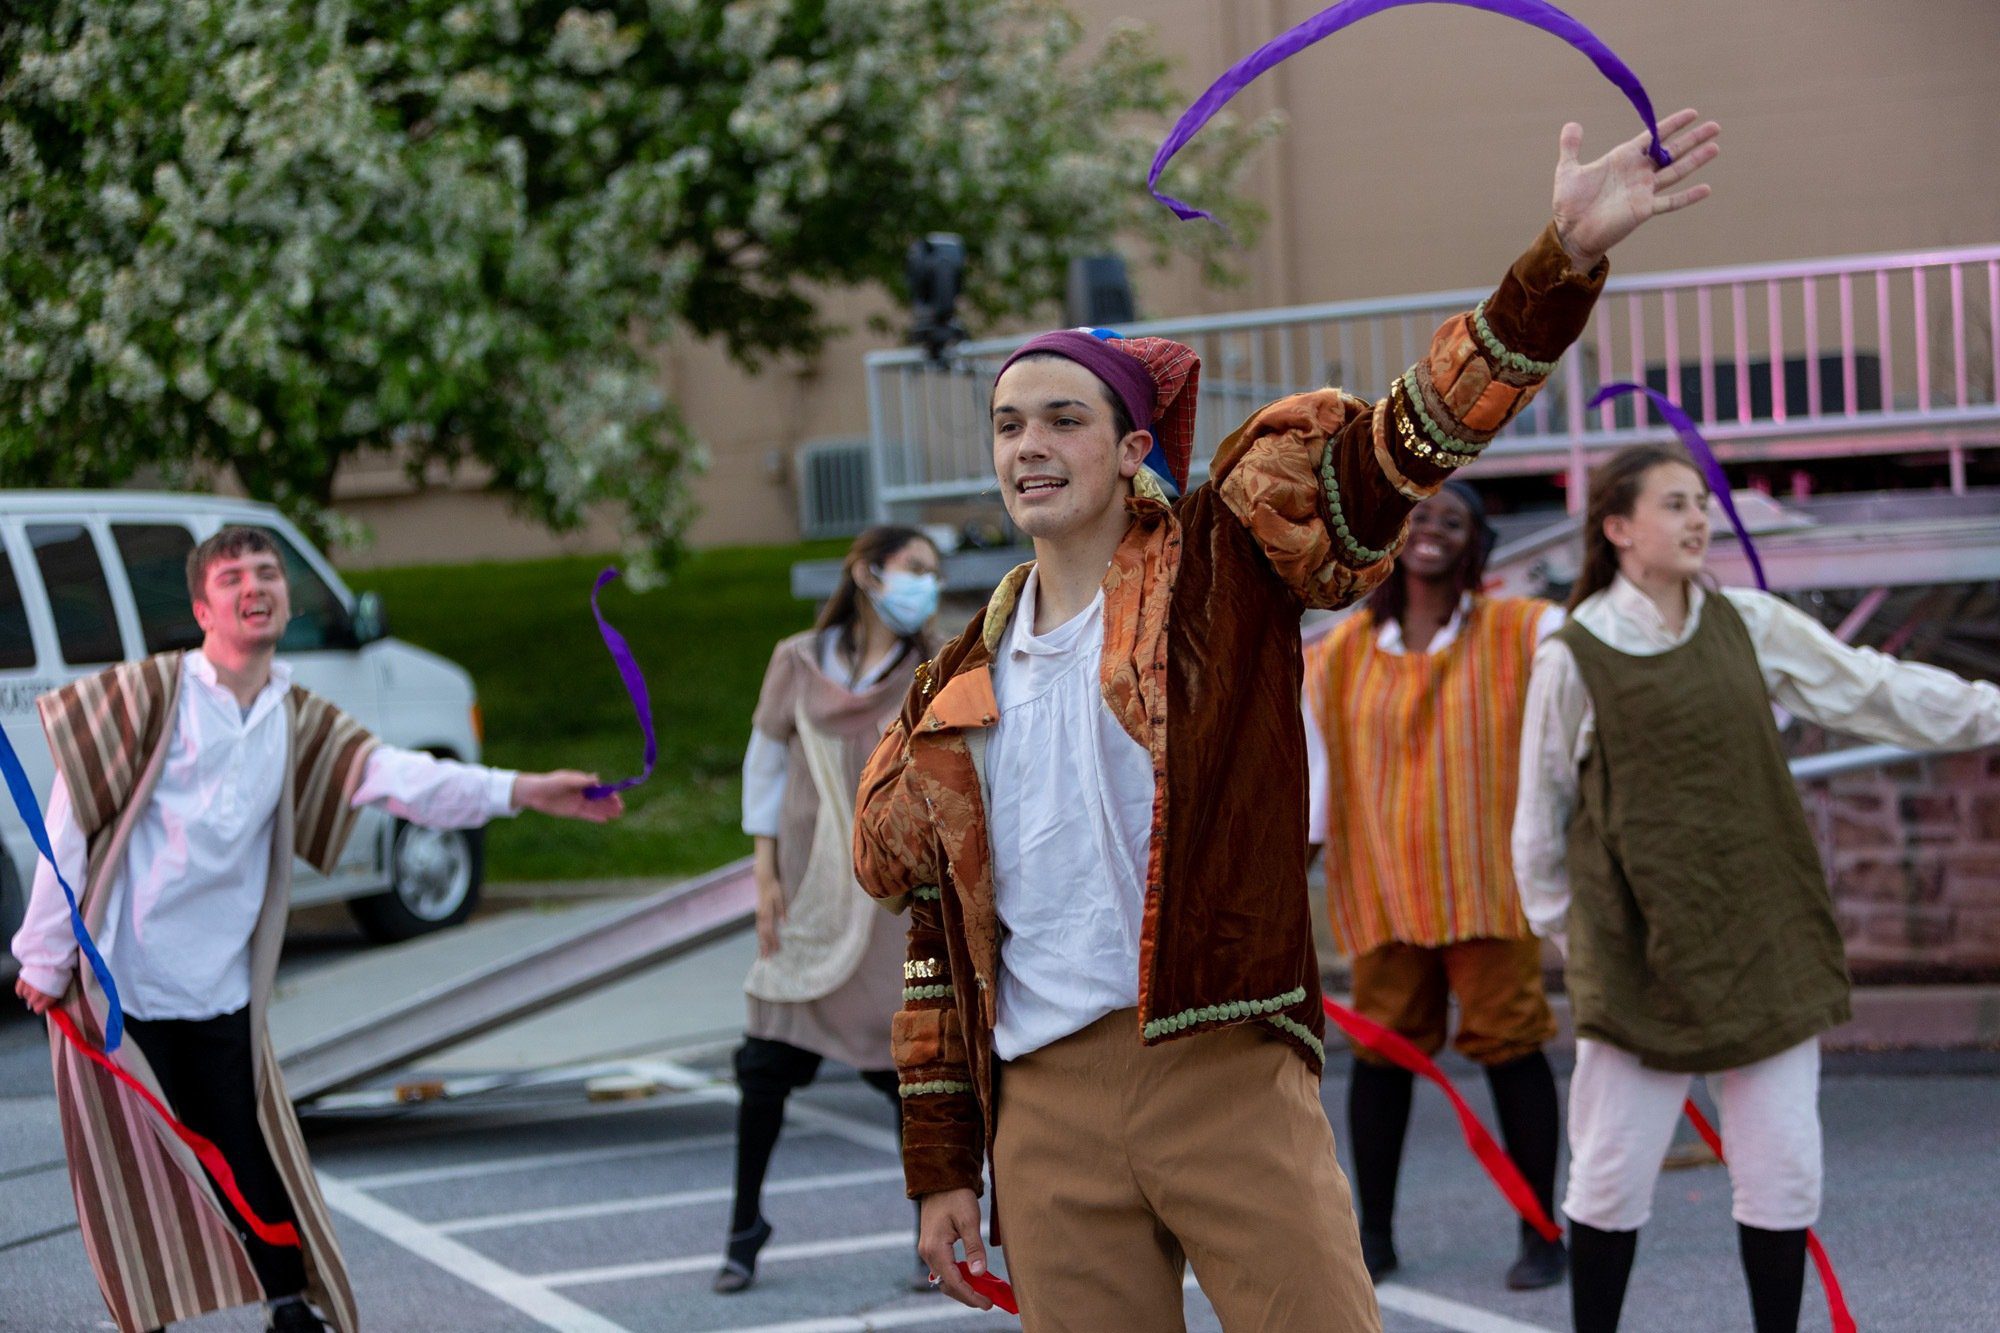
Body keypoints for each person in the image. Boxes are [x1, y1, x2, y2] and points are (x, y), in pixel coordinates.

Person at [854, 112, 1721, 1331]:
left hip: (1216, 1062)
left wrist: (1553, 267)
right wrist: (943, 1160)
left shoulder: (1223, 561)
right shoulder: (955, 682)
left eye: (1061, 420)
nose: (1030, 446)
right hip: (1041, 1104)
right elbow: (937, 945)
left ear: (1130, 448)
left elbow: (1399, 445)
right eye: (1008, 425)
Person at [10, 526, 623, 1333]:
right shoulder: (149, 694)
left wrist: (526, 789)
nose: (254, 585)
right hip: (124, 986)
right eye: (232, 576)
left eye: (267, 572)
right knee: (141, 1167)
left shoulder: (296, 718)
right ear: (202, 606)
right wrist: (46, 953)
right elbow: (69, 823)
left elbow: (407, 779)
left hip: (222, 987)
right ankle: (148, 1313)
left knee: (246, 1147)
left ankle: (289, 1306)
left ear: (288, 598)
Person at [1511, 444, 2000, 1333]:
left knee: (1783, 1173)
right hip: (1636, 953)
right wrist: (1580, 944)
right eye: (1673, 504)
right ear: (1618, 529)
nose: (1698, 518)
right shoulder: (1571, 652)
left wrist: (1989, 709)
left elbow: (1875, 691)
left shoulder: (1750, 622)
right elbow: (1537, 822)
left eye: (1701, 502)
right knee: (1611, 1177)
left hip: (1760, 928)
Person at [1303, 480, 1566, 1289]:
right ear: (1389, 537)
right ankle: (1372, 1236)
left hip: (1489, 884)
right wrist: (1293, 864)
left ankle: (1541, 1230)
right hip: (1381, 884)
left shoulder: (1528, 631)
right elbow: (1313, 773)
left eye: (1456, 518)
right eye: (1419, 514)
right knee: (1381, 1055)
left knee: (1513, 1045)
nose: (1435, 527)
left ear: (1477, 544)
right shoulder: (1335, 655)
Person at [716, 525, 942, 1294]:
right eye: (914, 568)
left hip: (887, 899)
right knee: (763, 1063)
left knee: (903, 1071)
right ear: (867, 571)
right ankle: (745, 1226)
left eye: (933, 573)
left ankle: (930, 1231)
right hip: (808, 893)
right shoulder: (798, 660)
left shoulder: (928, 669)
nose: (925, 584)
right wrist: (763, 871)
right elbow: (764, 761)